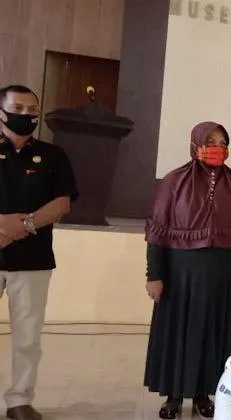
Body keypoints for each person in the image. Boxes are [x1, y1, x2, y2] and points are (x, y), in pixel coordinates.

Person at [143, 122, 231, 419]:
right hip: (179, 273)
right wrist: (154, 275)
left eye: (222, 142)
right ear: (195, 145)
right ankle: (173, 396)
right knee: (178, 334)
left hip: (221, 273)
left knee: (213, 334)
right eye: (210, 141)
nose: (217, 147)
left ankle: (203, 394)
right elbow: (157, 231)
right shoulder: (173, 181)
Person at [0, 85, 78, 420]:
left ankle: (20, 399)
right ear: (1, 112)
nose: (26, 115)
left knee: (27, 338)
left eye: (32, 110)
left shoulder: (52, 155)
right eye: (17, 108)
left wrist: (25, 225)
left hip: (32, 261)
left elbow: (62, 202)